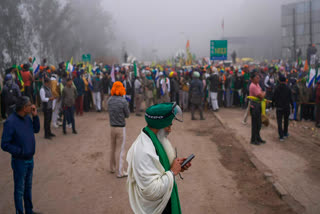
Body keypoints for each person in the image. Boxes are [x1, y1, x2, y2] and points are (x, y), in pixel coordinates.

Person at [126, 102, 191, 214]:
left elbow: (159, 165)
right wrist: (172, 172)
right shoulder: (144, 150)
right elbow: (151, 190)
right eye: (168, 125)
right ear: (160, 125)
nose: (170, 130)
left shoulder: (154, 138)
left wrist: (176, 166)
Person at [1, 96, 41, 214]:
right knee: (19, 190)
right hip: (19, 161)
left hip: (30, 159)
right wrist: (20, 151)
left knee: (28, 187)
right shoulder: (10, 122)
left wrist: (35, 116)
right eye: (30, 105)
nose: (32, 106)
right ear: (24, 108)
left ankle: (29, 211)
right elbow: (4, 144)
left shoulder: (27, 118)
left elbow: (37, 129)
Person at [107, 81, 130, 178]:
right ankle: (120, 171)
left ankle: (112, 168)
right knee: (121, 150)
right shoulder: (123, 101)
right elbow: (127, 115)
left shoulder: (109, 100)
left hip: (112, 127)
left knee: (112, 148)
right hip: (121, 127)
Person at [272, 75, 294, 141]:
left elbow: (274, 97)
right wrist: (292, 106)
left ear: (279, 80)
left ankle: (281, 136)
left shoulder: (277, 88)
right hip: (286, 107)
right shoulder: (288, 88)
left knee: (279, 121)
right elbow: (291, 98)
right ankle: (285, 133)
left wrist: (272, 105)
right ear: (285, 80)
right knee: (286, 121)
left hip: (279, 107)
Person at [249, 71, 266, 145]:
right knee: (255, 124)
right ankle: (253, 139)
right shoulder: (253, 86)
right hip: (254, 106)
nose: (258, 78)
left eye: (258, 77)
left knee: (259, 123)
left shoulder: (257, 84)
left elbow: (261, 93)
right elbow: (261, 95)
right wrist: (263, 94)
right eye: (257, 77)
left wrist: (262, 94)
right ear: (252, 79)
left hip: (258, 105)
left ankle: (258, 137)